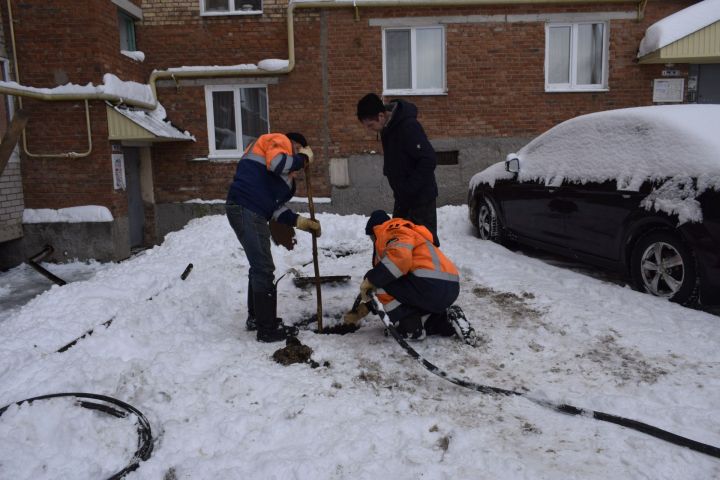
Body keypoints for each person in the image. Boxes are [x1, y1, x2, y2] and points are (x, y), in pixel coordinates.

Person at [226, 132, 321, 343]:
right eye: (297, 150)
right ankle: (267, 329)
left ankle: (257, 319)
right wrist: (303, 158)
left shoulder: (283, 181)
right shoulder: (277, 139)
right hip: (246, 207)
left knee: (259, 266)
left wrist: (300, 222)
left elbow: (275, 209)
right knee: (264, 268)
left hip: (251, 210)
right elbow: (278, 163)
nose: (296, 156)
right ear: (294, 144)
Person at [344, 210, 476, 345]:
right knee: (389, 280)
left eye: (372, 237)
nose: (373, 241)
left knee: (380, 280)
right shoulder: (410, 232)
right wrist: (368, 307)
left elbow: (399, 260)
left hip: (430, 286)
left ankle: (410, 328)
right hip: (449, 287)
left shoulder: (390, 231)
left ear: (375, 230)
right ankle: (446, 321)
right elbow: (400, 285)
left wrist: (372, 280)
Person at [356, 93, 440, 246]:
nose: (369, 130)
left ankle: (431, 269)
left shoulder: (408, 126)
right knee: (401, 241)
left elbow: (428, 159)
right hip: (403, 198)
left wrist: (410, 188)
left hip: (421, 199)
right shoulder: (387, 128)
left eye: (370, 125)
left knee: (423, 243)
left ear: (381, 116)